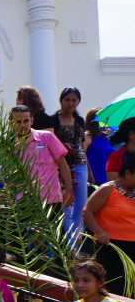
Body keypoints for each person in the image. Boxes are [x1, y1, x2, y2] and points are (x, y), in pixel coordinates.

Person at [83, 151, 135, 297]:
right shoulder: (107, 189)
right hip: (110, 246)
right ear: (128, 173)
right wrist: (99, 231)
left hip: (133, 246)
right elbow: (87, 211)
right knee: (114, 285)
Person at [11, 104, 71, 214]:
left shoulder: (47, 137)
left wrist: (68, 189)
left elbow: (62, 164)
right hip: (24, 200)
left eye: (26, 121)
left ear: (32, 121)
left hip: (51, 198)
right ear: (11, 124)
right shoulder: (9, 146)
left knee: (54, 231)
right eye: (18, 122)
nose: (23, 125)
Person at [51, 87, 87, 236]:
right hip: (61, 166)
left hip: (80, 164)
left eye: (74, 100)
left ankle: (77, 238)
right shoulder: (53, 120)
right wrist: (62, 145)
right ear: (61, 101)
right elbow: (51, 142)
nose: (71, 103)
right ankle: (68, 243)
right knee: (65, 205)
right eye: (67, 100)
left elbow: (83, 146)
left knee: (80, 206)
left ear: (78, 102)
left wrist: (89, 170)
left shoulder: (79, 120)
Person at [86, 119, 114, 186]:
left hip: (106, 178)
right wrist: (88, 172)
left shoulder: (104, 137)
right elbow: (82, 155)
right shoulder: (88, 136)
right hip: (93, 178)